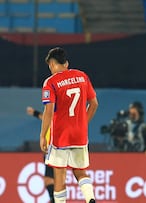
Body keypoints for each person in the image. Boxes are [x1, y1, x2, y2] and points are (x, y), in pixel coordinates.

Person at [39, 47, 98, 203]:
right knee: (80, 171)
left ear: (52, 64)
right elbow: (94, 104)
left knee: (59, 174)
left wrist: (42, 135)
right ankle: (90, 198)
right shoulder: (82, 76)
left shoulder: (50, 82)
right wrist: (83, 123)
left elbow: (49, 110)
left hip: (60, 135)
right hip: (79, 134)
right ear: (66, 63)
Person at [26, 106, 55, 203]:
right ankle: (54, 199)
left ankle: (55, 199)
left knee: (49, 179)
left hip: (53, 150)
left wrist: (34, 112)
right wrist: (34, 113)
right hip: (51, 150)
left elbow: (46, 117)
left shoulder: (55, 116)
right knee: (50, 179)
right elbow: (45, 118)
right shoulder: (51, 118)